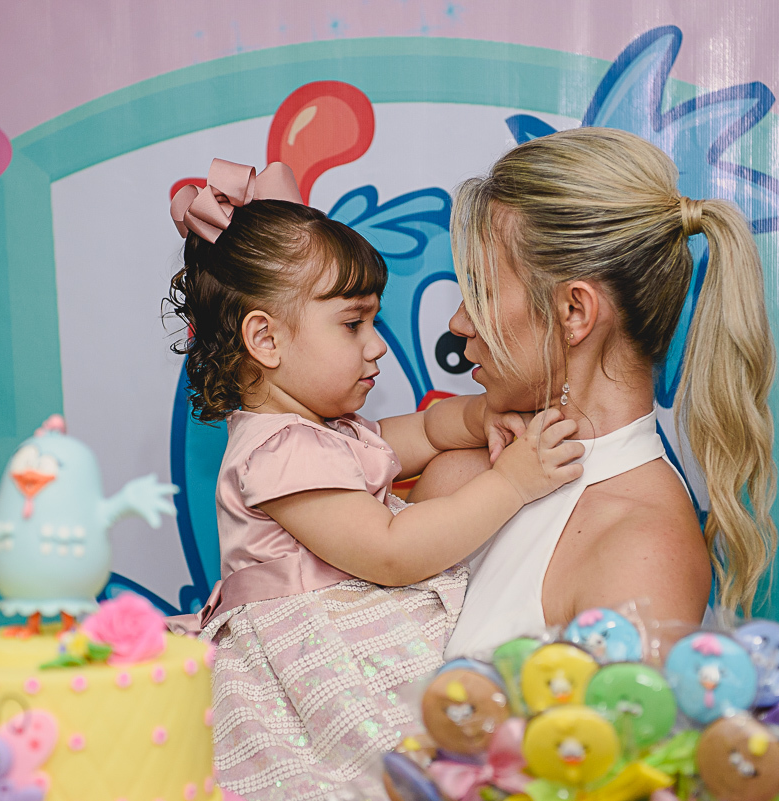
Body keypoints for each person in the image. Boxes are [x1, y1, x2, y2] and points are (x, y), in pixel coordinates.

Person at [163, 159, 583, 800]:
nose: (377, 345)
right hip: (311, 671)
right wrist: (514, 484)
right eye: (353, 323)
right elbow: (390, 552)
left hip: (348, 647)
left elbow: (419, 435)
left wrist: (481, 414)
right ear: (266, 340)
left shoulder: (326, 432)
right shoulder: (277, 454)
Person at [410, 128, 778, 661]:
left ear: (574, 312)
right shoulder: (457, 474)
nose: (459, 321)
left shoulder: (645, 554)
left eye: (481, 292)